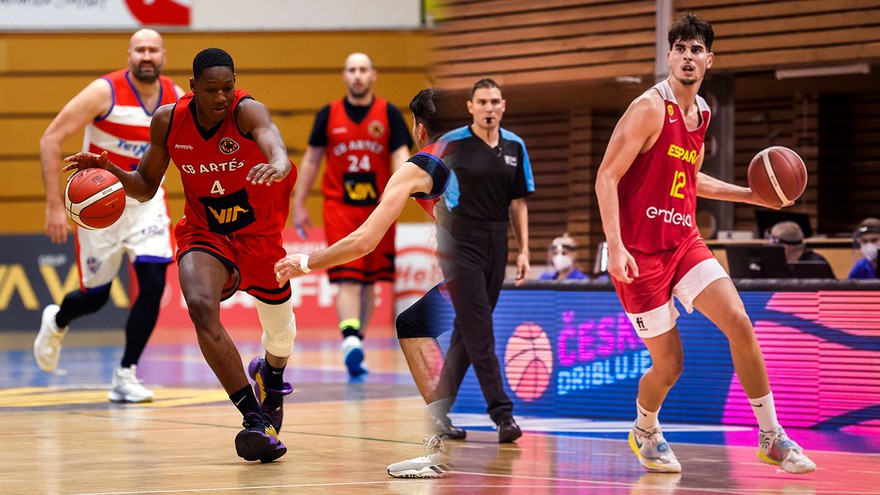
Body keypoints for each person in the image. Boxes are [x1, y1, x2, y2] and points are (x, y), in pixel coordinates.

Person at [595, 13, 816, 474]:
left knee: (739, 321)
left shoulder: (703, 113)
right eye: (681, 49)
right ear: (670, 56)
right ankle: (644, 428)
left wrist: (749, 194)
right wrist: (615, 246)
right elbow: (607, 175)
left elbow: (689, 177)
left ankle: (771, 436)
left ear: (709, 60)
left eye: (697, 50)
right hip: (639, 254)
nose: (688, 57)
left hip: (684, 240)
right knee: (670, 365)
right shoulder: (649, 108)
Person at [63, 48, 297, 463]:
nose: (222, 97)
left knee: (280, 332)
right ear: (193, 88)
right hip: (205, 231)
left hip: (259, 234)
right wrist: (110, 169)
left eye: (228, 87)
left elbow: (271, 139)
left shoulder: (247, 111)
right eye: (212, 90)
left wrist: (278, 160)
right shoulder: (169, 120)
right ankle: (254, 420)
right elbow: (145, 186)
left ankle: (272, 378)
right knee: (201, 307)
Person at [278, 87, 459, 478]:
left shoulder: (423, 165)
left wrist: (307, 262)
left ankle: (447, 446)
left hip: (475, 278)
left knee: (414, 325)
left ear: (419, 127)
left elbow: (362, 241)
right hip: (509, 276)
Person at [34, 29, 184, 403]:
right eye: (140, 50)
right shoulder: (105, 92)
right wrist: (55, 204)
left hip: (146, 203)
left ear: (163, 55)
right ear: (129, 54)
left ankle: (125, 373)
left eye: (153, 49)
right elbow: (50, 139)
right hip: (100, 207)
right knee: (95, 297)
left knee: (152, 284)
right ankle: (57, 320)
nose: (146, 55)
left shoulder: (177, 97)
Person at [291, 52, 413, 378]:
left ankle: (356, 341)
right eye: (351, 70)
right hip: (340, 206)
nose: (357, 75)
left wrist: (398, 196)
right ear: (344, 75)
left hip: (379, 207)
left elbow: (403, 158)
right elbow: (311, 162)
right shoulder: (327, 115)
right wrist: (299, 202)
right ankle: (349, 339)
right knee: (348, 277)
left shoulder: (388, 114)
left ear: (373, 74)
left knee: (371, 284)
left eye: (363, 70)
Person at [433, 78, 532, 444]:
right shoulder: (453, 143)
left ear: (502, 105)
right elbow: (428, 186)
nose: (489, 108)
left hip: (497, 239)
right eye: (482, 102)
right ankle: (502, 414)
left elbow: (519, 202)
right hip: (460, 242)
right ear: (470, 107)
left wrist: (524, 250)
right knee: (480, 328)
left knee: (467, 330)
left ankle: (436, 412)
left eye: (494, 102)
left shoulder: (515, 147)